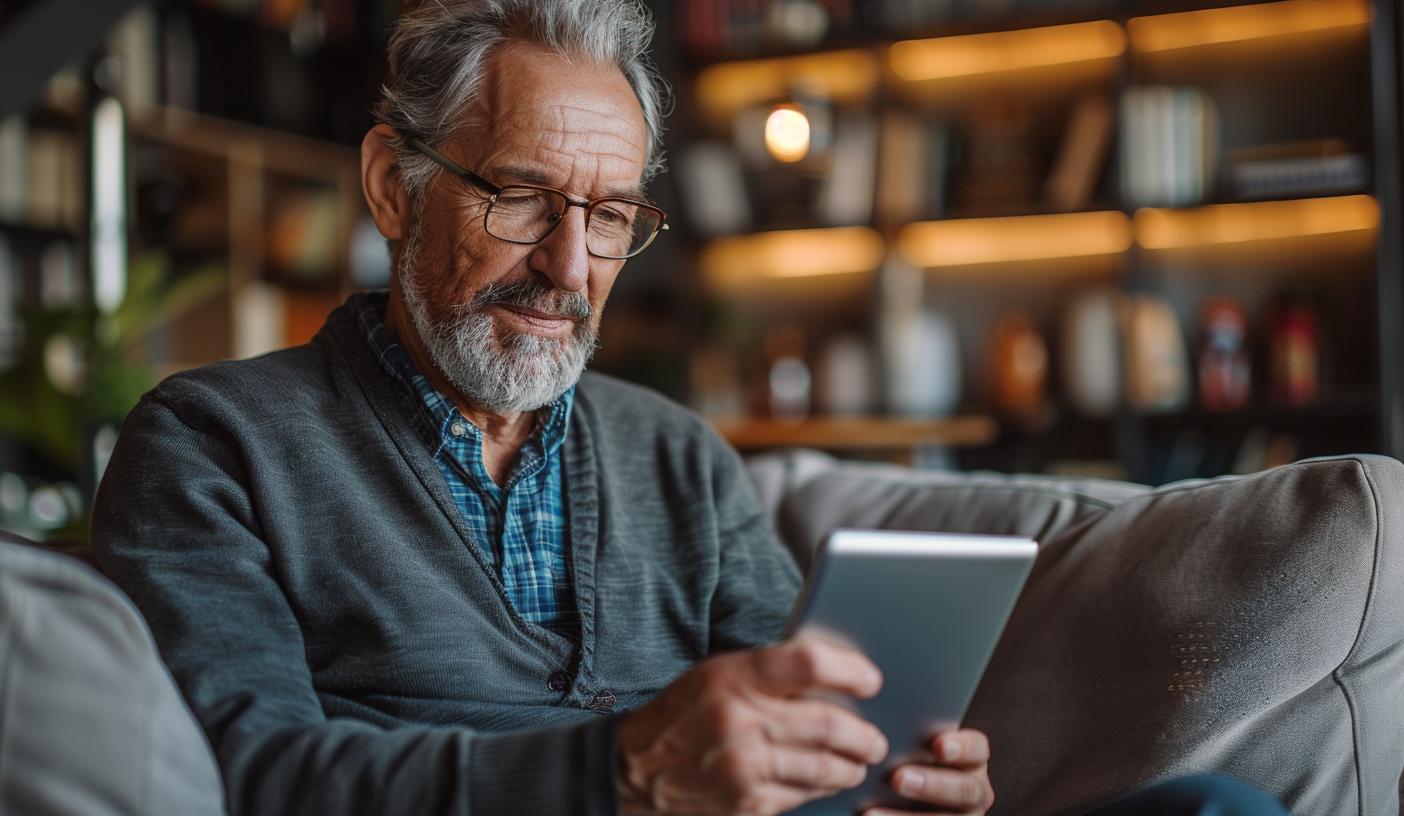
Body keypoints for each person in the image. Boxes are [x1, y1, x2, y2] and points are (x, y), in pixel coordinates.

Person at [91, 3, 1287, 816]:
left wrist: (889, 784)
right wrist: (613, 774)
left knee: (1217, 808)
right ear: (391, 189)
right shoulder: (210, 442)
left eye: (609, 214)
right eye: (520, 197)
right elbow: (244, 774)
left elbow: (805, 727)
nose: (569, 266)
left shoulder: (675, 453)